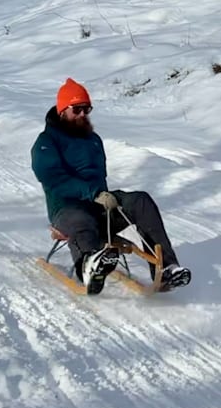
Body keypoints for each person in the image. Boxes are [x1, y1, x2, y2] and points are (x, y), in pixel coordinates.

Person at [31, 78, 191, 295]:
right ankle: (89, 267)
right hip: (66, 210)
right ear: (62, 111)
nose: (82, 115)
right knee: (82, 220)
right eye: (76, 109)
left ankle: (166, 269)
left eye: (86, 109)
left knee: (140, 201)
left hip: (100, 206)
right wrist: (93, 193)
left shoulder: (93, 139)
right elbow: (53, 179)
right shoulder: (46, 142)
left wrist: (103, 198)